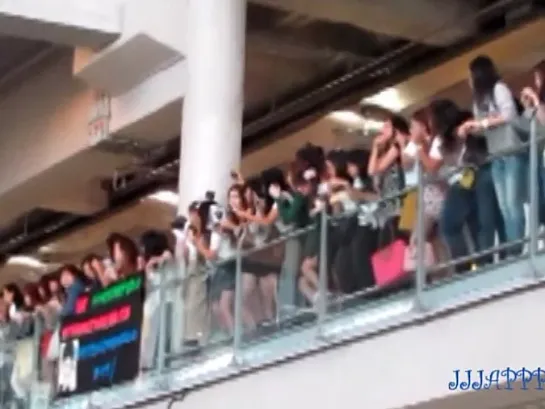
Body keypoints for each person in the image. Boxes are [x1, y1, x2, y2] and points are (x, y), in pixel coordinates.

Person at [460, 55, 526, 256]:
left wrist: (480, 124)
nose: (468, 80)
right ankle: (513, 249)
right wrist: (471, 129)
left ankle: (516, 251)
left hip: (511, 151)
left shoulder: (499, 89)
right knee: (505, 207)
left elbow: (509, 115)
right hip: (496, 154)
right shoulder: (478, 100)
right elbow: (483, 128)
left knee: (513, 205)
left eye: (470, 75)